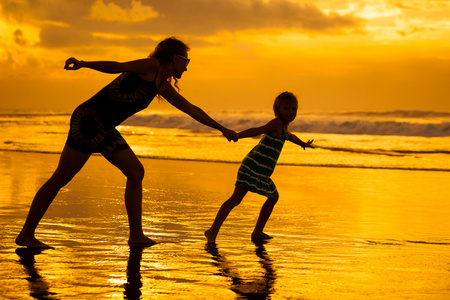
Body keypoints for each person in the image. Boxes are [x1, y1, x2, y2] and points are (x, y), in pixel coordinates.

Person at [16, 37, 238, 249]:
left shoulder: (161, 85)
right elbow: (117, 66)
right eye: (186, 60)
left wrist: (222, 128)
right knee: (61, 177)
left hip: (104, 126)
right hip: (89, 120)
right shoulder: (150, 66)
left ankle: (136, 235)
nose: (187, 67)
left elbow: (192, 109)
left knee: (135, 171)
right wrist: (83, 64)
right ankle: (26, 234)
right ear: (175, 58)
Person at [205, 91, 314, 244]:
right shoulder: (276, 124)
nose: (290, 112)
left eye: (293, 109)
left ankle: (257, 231)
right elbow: (257, 130)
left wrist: (303, 144)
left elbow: (291, 137)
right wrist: (238, 135)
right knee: (236, 199)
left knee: (271, 197)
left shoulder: (284, 128)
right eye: (286, 108)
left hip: (261, 170)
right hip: (253, 167)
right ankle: (213, 231)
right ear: (277, 110)